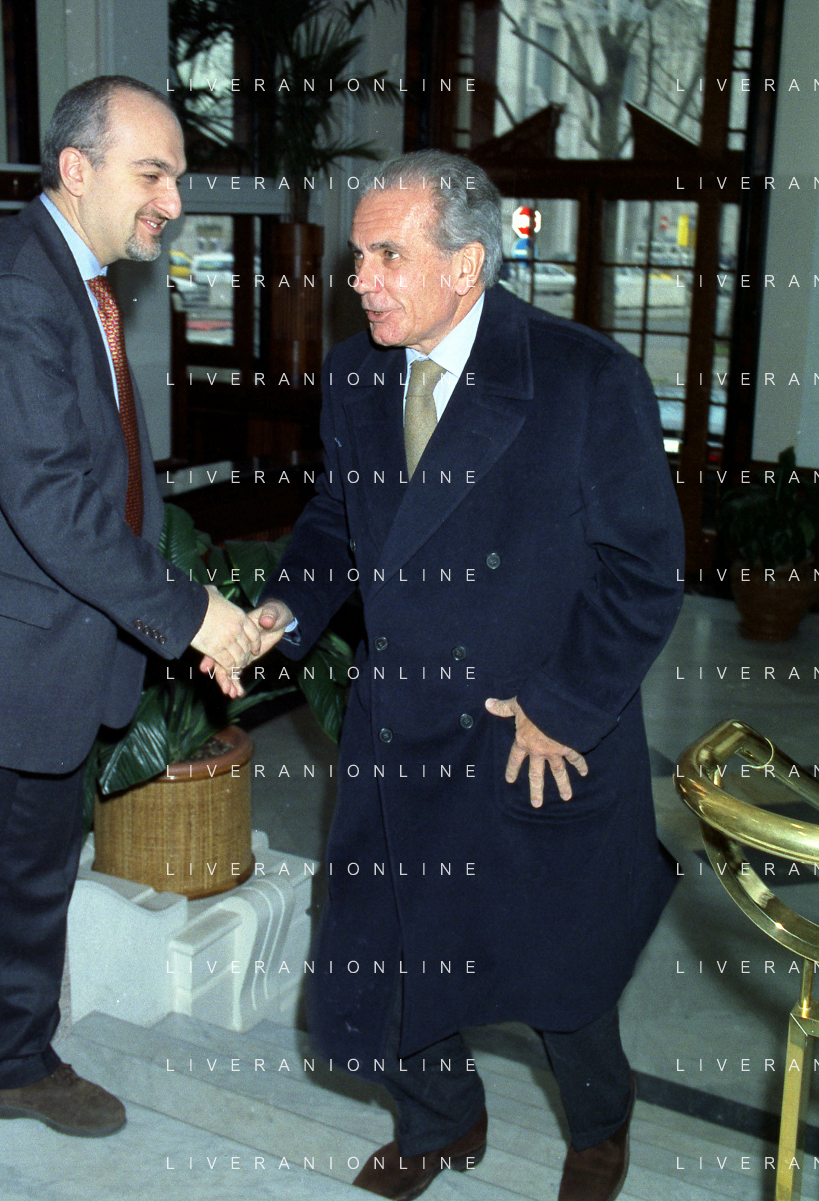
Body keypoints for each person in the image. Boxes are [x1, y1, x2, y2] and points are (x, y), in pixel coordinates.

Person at [236, 150, 684, 1201]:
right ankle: (440, 1119)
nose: (360, 281)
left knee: (559, 964)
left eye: (388, 255)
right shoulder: (356, 375)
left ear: (468, 264)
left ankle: (599, 1127)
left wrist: (560, 705)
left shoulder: (584, 379)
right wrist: (287, 607)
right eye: (358, 256)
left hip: (532, 729)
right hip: (402, 724)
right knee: (390, 947)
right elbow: (336, 519)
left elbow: (644, 572)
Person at [0, 75, 258, 1188]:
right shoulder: (15, 288)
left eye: (176, 175)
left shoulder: (77, 281)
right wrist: (195, 615)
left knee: (30, 885)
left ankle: (12, 1062)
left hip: (53, 662)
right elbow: (51, 497)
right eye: (153, 173)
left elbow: (110, 478)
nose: (173, 200)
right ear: (75, 168)